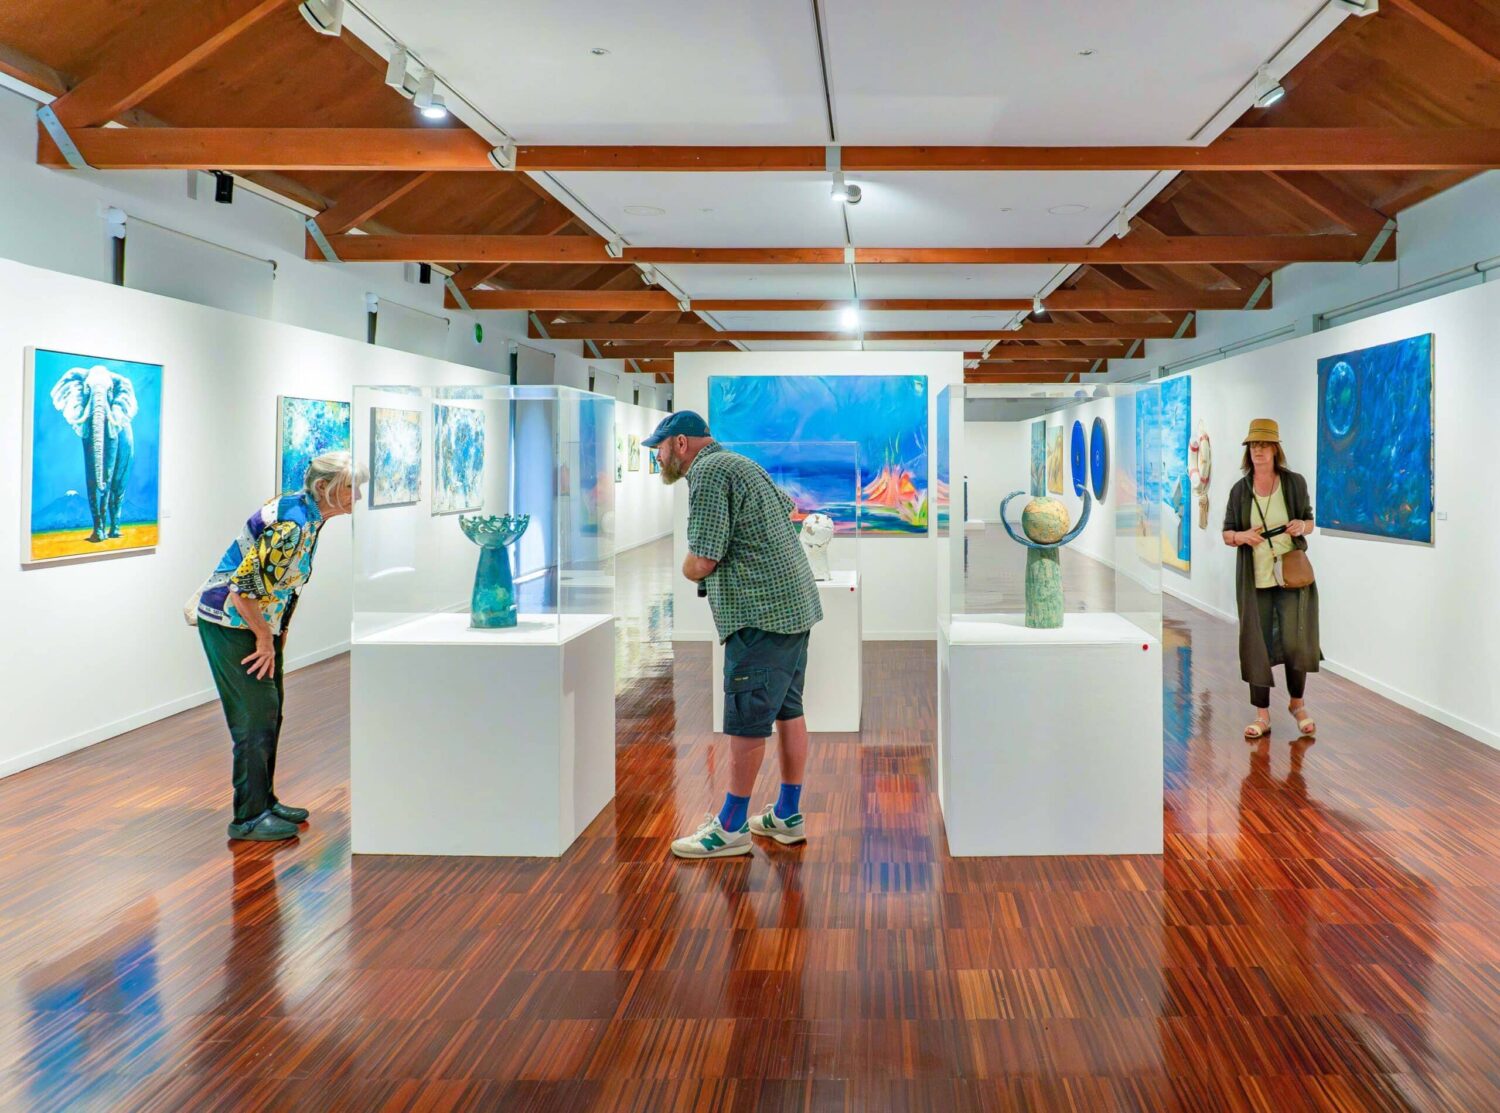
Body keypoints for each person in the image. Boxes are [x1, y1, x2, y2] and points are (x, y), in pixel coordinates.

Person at [644, 411, 823, 860]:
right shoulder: (740, 463)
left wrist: (685, 569)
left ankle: (730, 827)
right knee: (788, 709)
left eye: (659, 448)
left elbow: (702, 559)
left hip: (760, 614)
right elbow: (788, 509)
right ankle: (786, 816)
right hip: (794, 608)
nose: (657, 456)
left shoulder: (706, 474)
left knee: (746, 720)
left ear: (681, 443)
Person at [187, 451, 366, 841]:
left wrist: (278, 630)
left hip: (258, 623)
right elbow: (242, 590)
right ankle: (248, 818)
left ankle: (264, 802)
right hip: (231, 623)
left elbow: (287, 584)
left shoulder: (308, 515)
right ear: (324, 488)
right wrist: (265, 638)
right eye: (351, 487)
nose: (358, 495)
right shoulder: (293, 525)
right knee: (254, 719)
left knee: (270, 713)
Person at [1221, 419, 1320, 740]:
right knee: (1257, 644)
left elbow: (1309, 521)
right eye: (1253, 446)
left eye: (1263, 445)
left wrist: (1300, 527)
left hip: (1291, 577)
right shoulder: (1240, 490)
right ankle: (1261, 715)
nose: (1258, 452)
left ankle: (1297, 703)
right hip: (1256, 581)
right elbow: (1226, 533)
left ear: (1276, 448)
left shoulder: (1294, 483)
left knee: (1296, 641)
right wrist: (1242, 536)